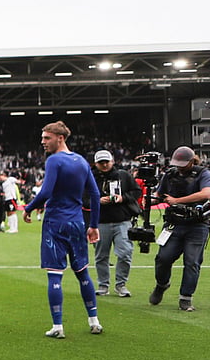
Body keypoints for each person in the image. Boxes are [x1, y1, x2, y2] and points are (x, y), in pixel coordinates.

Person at [22, 121, 102, 338]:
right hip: (77, 223)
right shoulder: (82, 161)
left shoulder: (54, 160)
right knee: (82, 272)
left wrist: (28, 208)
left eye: (46, 138)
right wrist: (93, 225)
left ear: (60, 138)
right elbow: (95, 195)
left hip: (55, 223)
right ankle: (94, 321)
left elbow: (46, 191)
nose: (42, 142)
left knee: (54, 275)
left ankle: (58, 326)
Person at [149, 146, 210, 312]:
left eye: (183, 164)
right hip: (174, 224)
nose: (179, 167)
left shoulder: (203, 173)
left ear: (192, 161)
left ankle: (186, 297)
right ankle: (162, 284)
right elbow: (161, 195)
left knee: (192, 261)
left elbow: (206, 193)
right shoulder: (170, 175)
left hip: (198, 224)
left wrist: (178, 200)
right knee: (163, 258)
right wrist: (151, 201)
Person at [87, 150, 140, 297]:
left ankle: (121, 284)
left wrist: (123, 198)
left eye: (106, 162)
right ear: (95, 163)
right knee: (101, 256)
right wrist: (97, 201)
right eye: (101, 162)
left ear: (112, 161)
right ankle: (103, 285)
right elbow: (81, 197)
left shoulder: (123, 175)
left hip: (122, 220)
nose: (104, 165)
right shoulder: (89, 177)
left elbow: (137, 191)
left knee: (125, 253)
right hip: (100, 222)